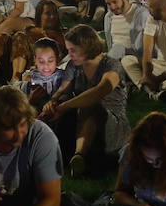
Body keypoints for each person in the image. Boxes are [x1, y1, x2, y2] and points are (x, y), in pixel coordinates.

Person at [39, 25, 129, 178]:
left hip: (109, 120)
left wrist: (65, 106)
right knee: (61, 106)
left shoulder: (111, 65)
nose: (70, 54)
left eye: (73, 50)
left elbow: (100, 91)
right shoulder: (74, 66)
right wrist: (53, 102)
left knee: (89, 104)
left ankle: (79, 156)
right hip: (81, 118)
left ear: (86, 47)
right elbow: (63, 89)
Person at [101, 0, 150, 64]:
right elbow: (110, 43)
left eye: (115, 2)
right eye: (108, 4)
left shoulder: (141, 14)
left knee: (118, 48)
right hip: (115, 56)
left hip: (135, 58)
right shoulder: (108, 17)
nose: (112, 7)